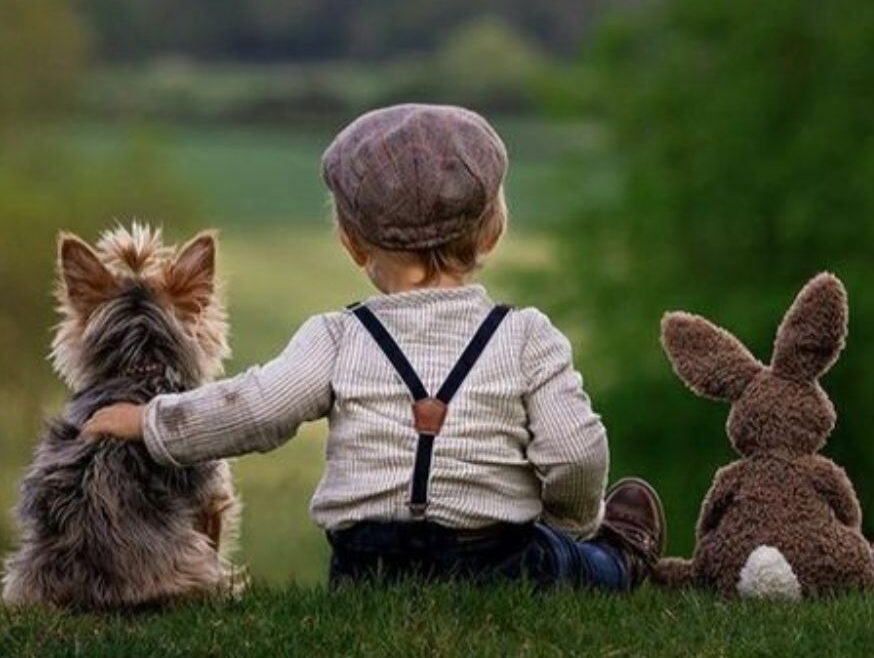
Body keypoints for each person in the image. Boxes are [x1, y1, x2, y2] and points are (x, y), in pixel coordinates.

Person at [83, 103, 665, 589]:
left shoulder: (336, 337)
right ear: (493, 230)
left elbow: (255, 409)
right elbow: (576, 453)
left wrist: (150, 422)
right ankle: (619, 557)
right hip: (497, 560)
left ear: (351, 241)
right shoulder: (528, 337)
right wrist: (571, 519)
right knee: (576, 565)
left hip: (366, 567)